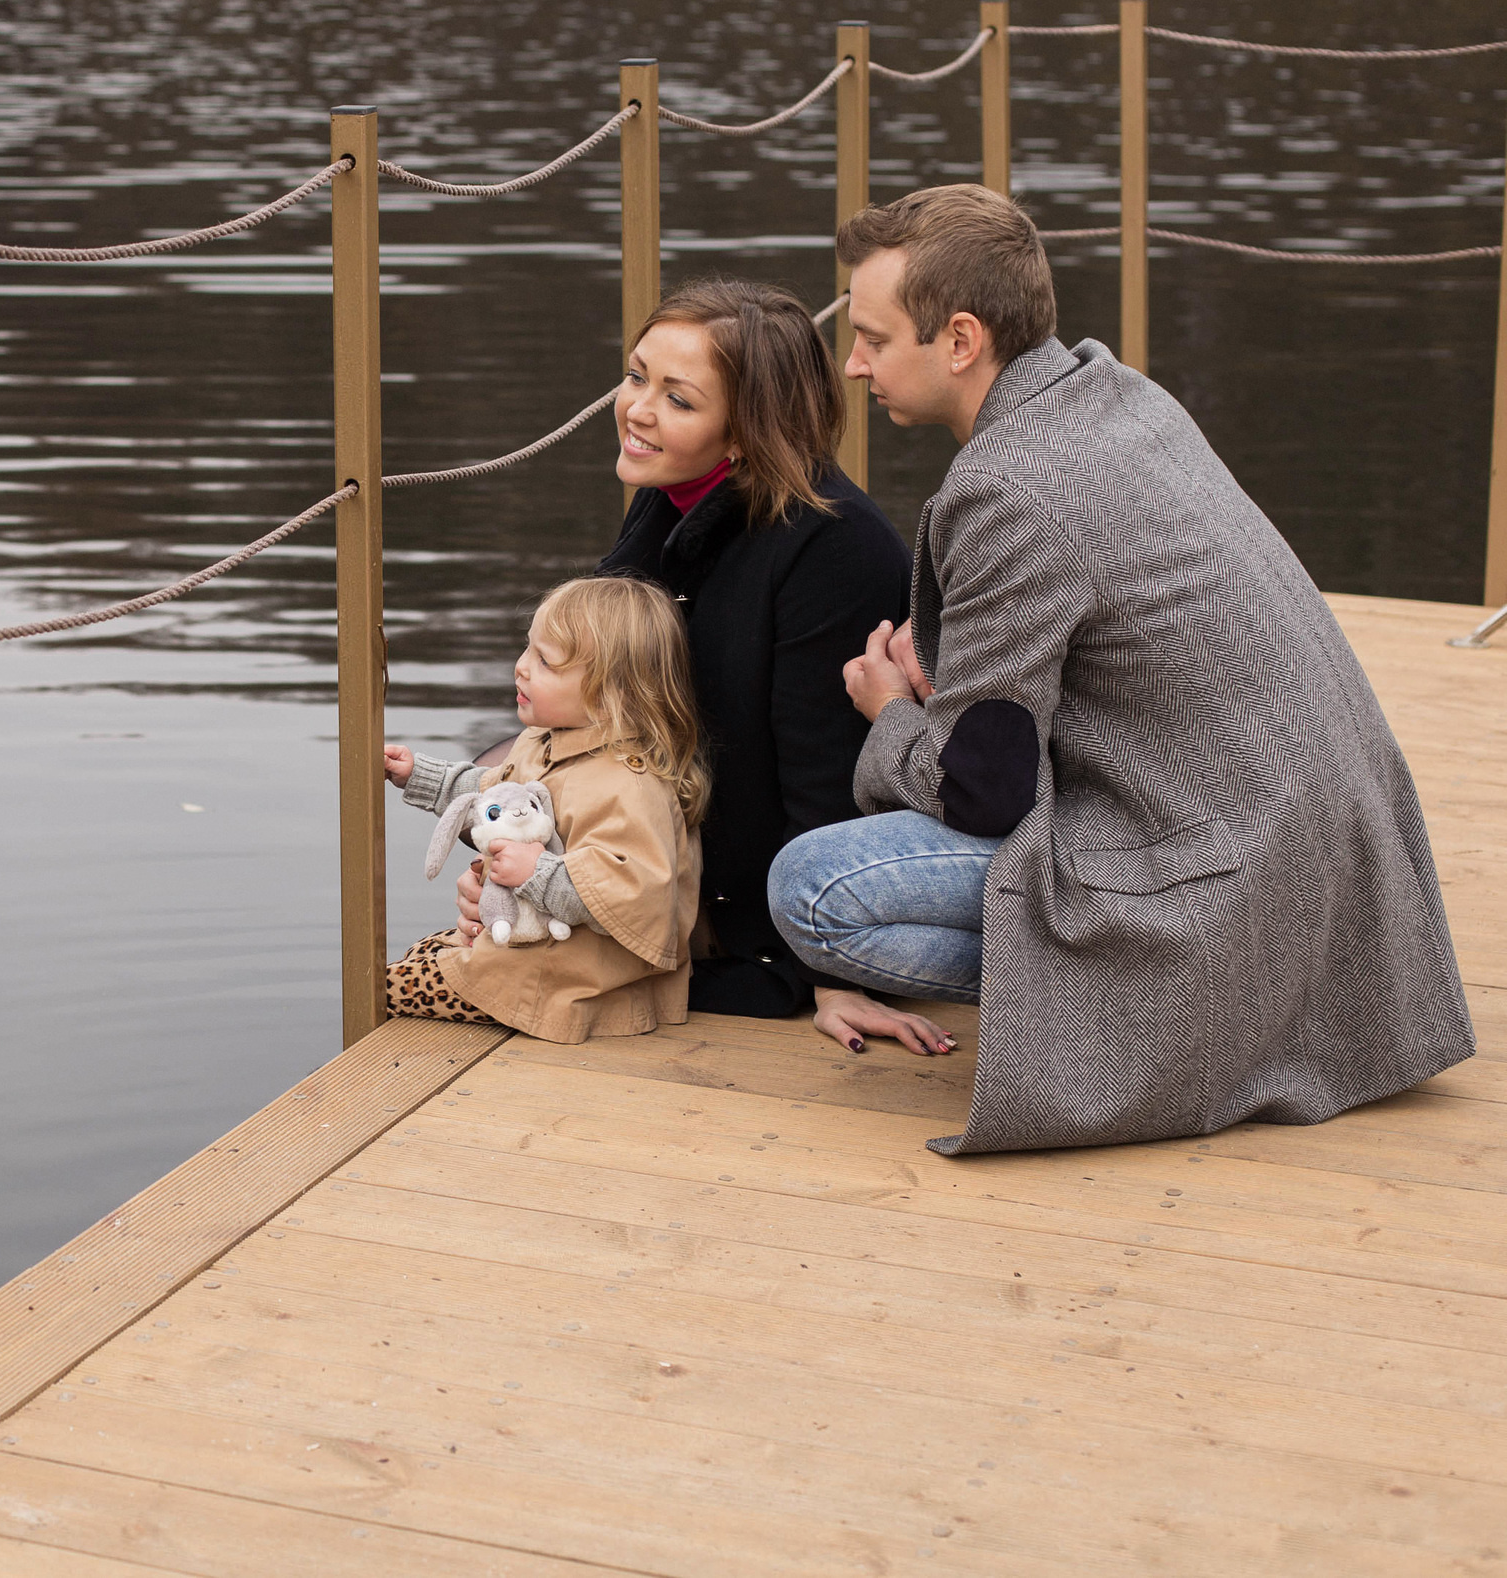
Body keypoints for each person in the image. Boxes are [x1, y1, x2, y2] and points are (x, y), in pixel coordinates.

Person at [767, 183, 1475, 1154]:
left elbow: (983, 789)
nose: (852, 365)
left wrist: (890, 713)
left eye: (876, 339)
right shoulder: (1114, 391)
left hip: (1235, 876)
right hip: (1332, 847)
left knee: (812, 888)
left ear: (962, 339)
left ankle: (1145, 1005)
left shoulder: (1004, 492)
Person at [558, 278, 937, 1052]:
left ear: (746, 432)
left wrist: (830, 969)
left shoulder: (834, 549)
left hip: (771, 920)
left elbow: (831, 771)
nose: (636, 410)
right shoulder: (670, 498)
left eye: (679, 399)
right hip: (670, 858)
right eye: (636, 378)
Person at [383, 577, 704, 1042]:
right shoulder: (545, 740)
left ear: (612, 692)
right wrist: (420, 775)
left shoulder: (630, 785)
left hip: (578, 982)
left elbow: (636, 894)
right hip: (539, 951)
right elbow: (494, 795)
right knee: (418, 952)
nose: (521, 669)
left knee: (383, 988)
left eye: (545, 661)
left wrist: (540, 872)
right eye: (527, 649)